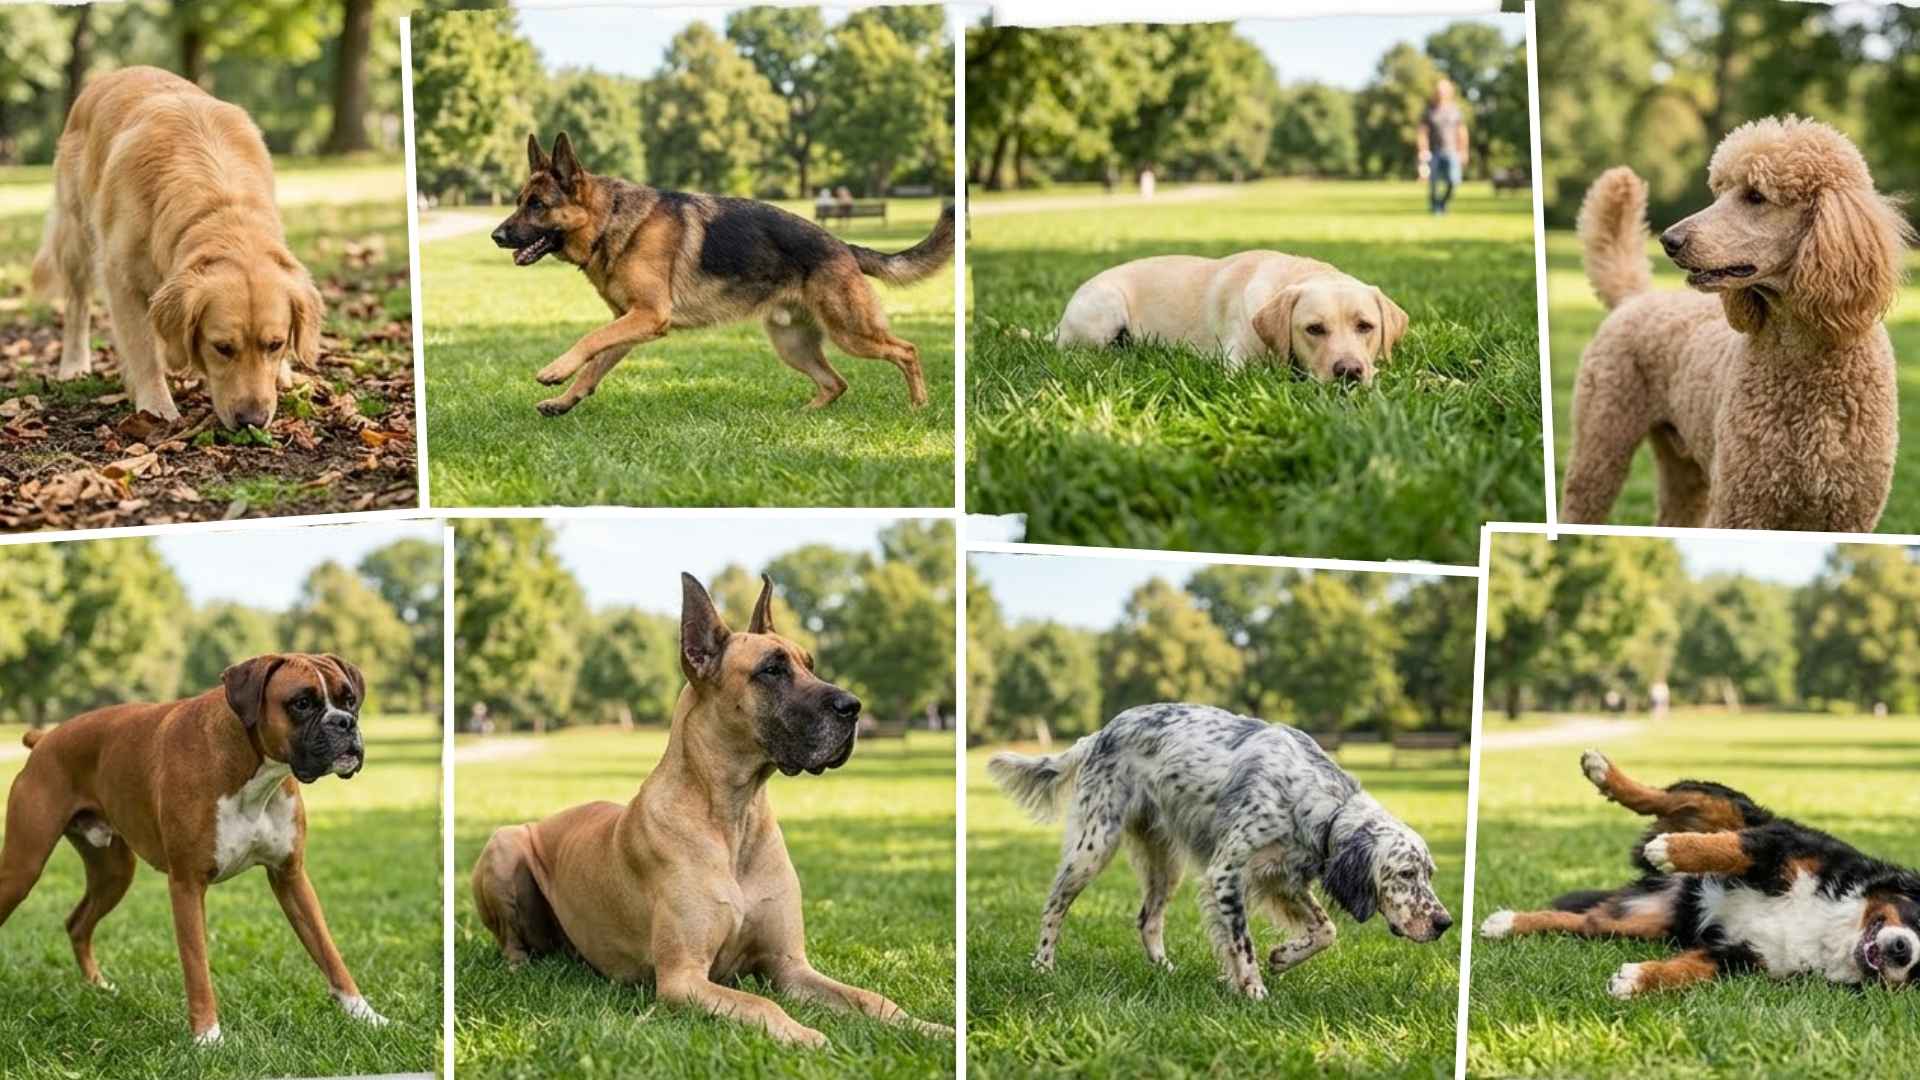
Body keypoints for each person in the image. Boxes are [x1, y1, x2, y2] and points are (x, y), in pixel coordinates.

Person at [1416, 78, 1469, 215]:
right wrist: (1423, 150)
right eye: (1439, 90)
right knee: (1433, 182)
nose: (1441, 93)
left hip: (1452, 151)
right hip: (1434, 151)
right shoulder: (1429, 110)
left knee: (1454, 180)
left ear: (1449, 92)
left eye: (1444, 90)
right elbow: (1422, 132)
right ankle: (1435, 207)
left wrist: (1463, 151)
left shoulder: (1455, 110)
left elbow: (1462, 131)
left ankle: (1443, 203)